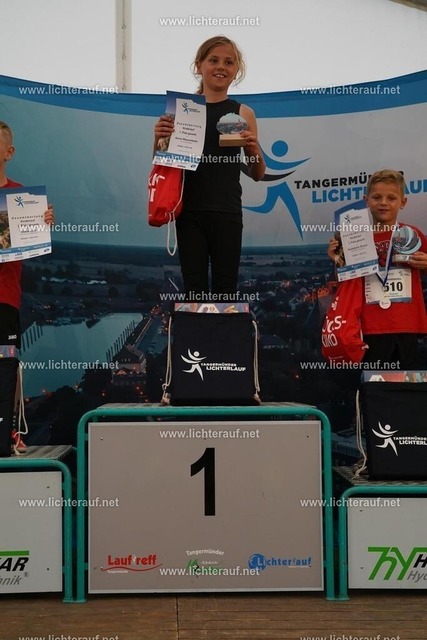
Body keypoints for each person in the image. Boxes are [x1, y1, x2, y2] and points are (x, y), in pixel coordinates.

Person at [153, 35, 266, 296]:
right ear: (199, 65)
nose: (221, 67)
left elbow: (258, 174)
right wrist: (158, 138)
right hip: (189, 213)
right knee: (194, 291)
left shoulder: (243, 112)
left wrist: (253, 150)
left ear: (236, 70)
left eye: (229, 62)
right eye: (213, 60)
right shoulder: (180, 111)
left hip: (227, 212)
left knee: (226, 290)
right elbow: (163, 166)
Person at [328, 169, 427, 369]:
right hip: (370, 326)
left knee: (409, 385)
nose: (383, 203)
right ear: (366, 201)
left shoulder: (412, 234)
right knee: (375, 384)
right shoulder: (354, 237)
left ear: (403, 202)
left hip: (407, 324)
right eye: (376, 197)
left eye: (391, 198)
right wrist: (337, 260)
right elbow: (345, 283)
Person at [0, 121, 55, 455]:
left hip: (5, 299)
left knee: (6, 371)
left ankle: (8, 433)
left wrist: (43, 223)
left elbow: (33, 245)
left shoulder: (20, 196)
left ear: (9, 152)